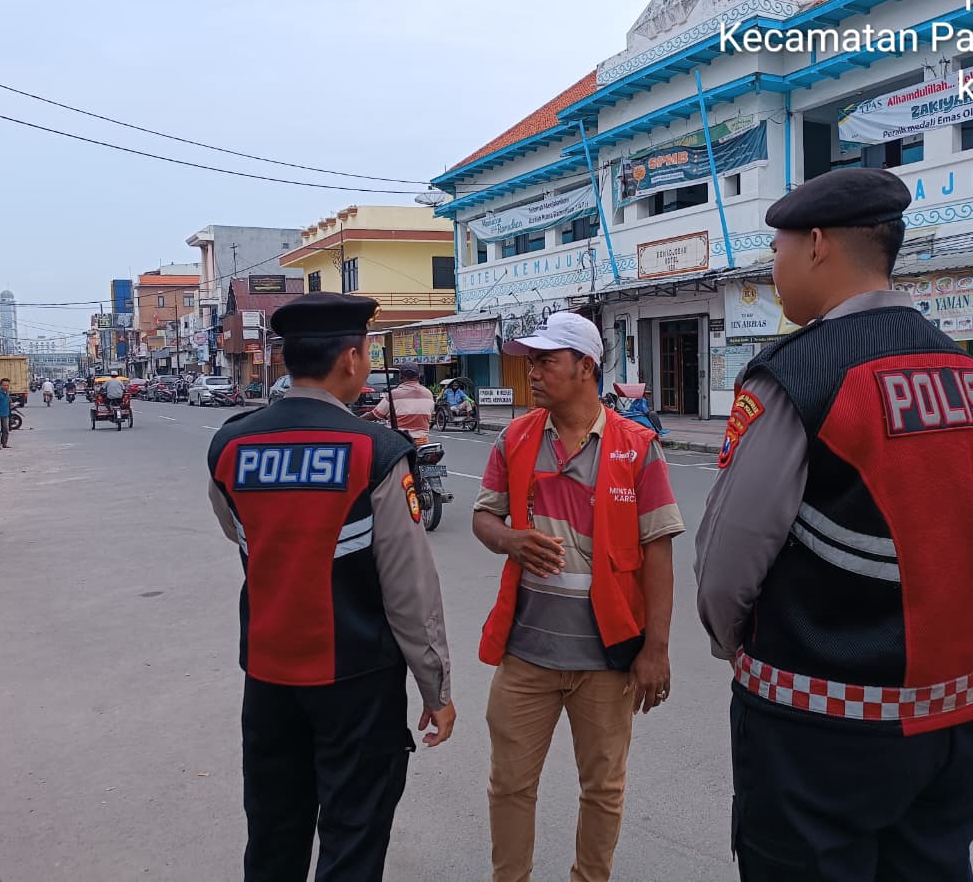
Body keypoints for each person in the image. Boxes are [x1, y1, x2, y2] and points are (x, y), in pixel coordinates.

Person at [695, 168, 973, 882]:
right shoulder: (965, 371)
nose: (772, 270)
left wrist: (738, 647)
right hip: (958, 714)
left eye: (776, 251)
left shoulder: (798, 376)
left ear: (817, 245)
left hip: (822, 723)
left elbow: (727, 563)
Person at [207, 292, 456, 882]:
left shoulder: (231, 445)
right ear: (350, 359)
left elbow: (239, 533)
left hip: (267, 679)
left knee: (272, 831)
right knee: (353, 836)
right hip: (356, 683)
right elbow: (409, 590)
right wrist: (436, 689)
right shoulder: (377, 452)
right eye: (367, 352)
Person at [471, 311, 685, 882]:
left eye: (546, 360)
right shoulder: (514, 439)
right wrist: (510, 539)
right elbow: (483, 520)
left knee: (603, 789)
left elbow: (658, 552)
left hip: (607, 662)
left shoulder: (637, 448)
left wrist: (656, 648)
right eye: (531, 361)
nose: (533, 373)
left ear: (585, 367)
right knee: (510, 786)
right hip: (526, 658)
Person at [364, 363, 434, 445]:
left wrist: (357, 419)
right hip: (422, 442)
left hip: (398, 442)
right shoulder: (428, 394)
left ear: (401, 377)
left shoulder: (393, 394)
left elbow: (375, 414)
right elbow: (430, 415)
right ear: (418, 376)